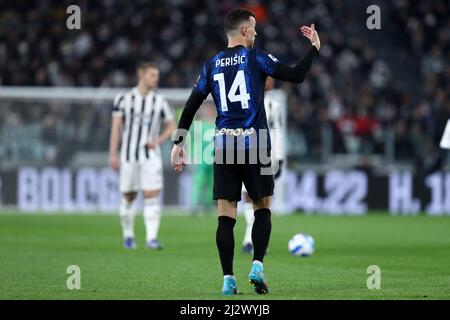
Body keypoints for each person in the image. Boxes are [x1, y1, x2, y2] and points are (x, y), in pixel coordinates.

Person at [171, 8, 320, 295]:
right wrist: (314, 48)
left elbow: (191, 105)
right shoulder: (256, 57)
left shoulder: (212, 64)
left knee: (226, 215)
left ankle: (228, 279)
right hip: (256, 144)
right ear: (243, 31)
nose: (256, 32)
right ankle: (257, 266)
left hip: (224, 145)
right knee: (262, 206)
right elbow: (297, 75)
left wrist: (179, 143)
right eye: (253, 28)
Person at [109, 62, 176, 250]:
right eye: (153, 75)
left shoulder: (160, 101)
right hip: (128, 155)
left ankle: (151, 238)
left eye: (157, 75)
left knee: (151, 195)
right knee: (129, 196)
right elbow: (116, 128)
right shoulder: (123, 98)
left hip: (150, 156)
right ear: (142, 76)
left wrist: (158, 140)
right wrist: (113, 154)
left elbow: (172, 125)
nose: (156, 78)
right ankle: (128, 236)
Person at [241, 76, 284, 254]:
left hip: (268, 155)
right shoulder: (245, 100)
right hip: (247, 153)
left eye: (273, 78)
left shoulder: (275, 106)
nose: (272, 81)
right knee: (248, 196)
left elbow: (278, 132)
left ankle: (252, 241)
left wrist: (279, 158)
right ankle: (251, 239)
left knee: (264, 200)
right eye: (268, 78)